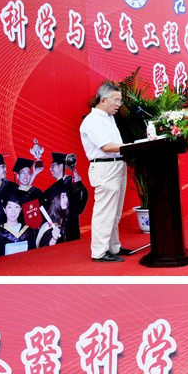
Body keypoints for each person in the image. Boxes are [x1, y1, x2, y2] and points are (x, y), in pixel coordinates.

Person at [79, 83, 133, 262]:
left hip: (117, 165)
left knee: (114, 211)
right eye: (116, 100)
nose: (119, 104)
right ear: (103, 100)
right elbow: (106, 146)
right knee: (105, 211)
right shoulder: (93, 120)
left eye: (120, 101)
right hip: (105, 167)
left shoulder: (109, 118)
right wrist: (131, 147)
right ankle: (99, 252)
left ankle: (113, 247)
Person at [41, 152, 88, 241]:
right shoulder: (53, 189)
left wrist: (79, 185)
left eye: (53, 165)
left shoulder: (70, 182)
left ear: (61, 166)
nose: (50, 168)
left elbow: (79, 207)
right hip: (57, 236)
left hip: (71, 233)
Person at [0, 191, 37, 256]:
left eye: (16, 207)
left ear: (20, 209)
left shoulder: (28, 232)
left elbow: (33, 255)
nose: (13, 212)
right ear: (4, 209)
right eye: (9, 207)